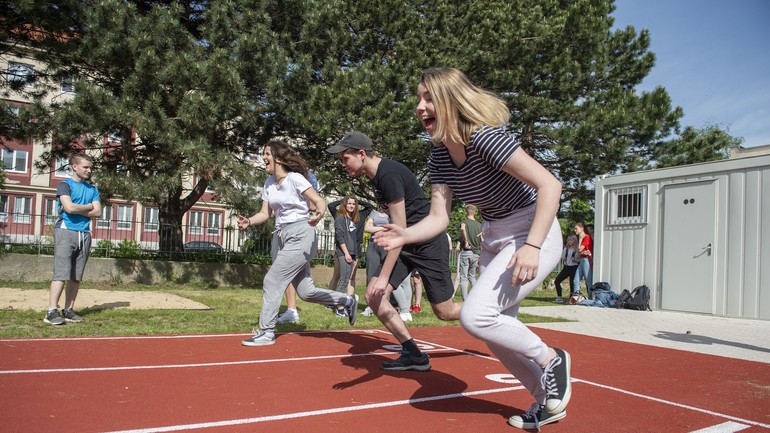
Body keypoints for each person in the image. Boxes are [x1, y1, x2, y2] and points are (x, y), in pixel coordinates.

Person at [374, 68, 571, 430]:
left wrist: (531, 246)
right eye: (418, 99)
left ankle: (552, 358)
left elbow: (551, 186)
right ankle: (547, 402)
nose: (420, 107)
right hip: (496, 236)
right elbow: (438, 218)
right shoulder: (439, 157)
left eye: (428, 98)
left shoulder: (486, 139)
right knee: (494, 329)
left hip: (532, 230)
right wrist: (404, 236)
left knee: (476, 317)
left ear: (451, 100)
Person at [327, 130, 461, 372]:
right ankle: (413, 354)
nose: (342, 164)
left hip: (427, 242)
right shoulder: (375, 176)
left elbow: (400, 229)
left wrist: (385, 276)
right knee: (373, 296)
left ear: (361, 154)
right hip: (407, 243)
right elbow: (397, 225)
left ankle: (491, 313)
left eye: (345, 158)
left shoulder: (387, 174)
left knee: (445, 311)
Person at [238, 139, 358, 346]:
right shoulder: (269, 184)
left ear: (278, 158)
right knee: (306, 292)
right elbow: (264, 213)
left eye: (267, 154)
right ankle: (347, 301)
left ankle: (266, 332)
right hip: (282, 235)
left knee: (272, 280)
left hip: (301, 234)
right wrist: (249, 221)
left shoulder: (294, 179)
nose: (263, 157)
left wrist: (319, 213)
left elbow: (319, 200)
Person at [44, 153, 102, 325]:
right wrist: (88, 207)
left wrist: (79, 208)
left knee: (76, 276)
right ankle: (51, 311)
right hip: (66, 231)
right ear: (74, 166)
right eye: (85, 167)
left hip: (84, 234)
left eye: (90, 167)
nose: (88, 170)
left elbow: (98, 212)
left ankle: (68, 309)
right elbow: (68, 208)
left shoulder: (92, 189)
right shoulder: (64, 185)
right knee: (61, 273)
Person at [276, 172, 320, 324]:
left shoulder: (307, 178)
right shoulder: (277, 178)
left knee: (304, 289)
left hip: (299, 231)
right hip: (282, 230)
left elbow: (315, 205)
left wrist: (295, 202)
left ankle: (345, 301)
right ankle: (291, 310)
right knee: (286, 275)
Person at [362, 208, 413, 321]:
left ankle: (404, 309)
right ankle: (370, 306)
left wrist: (376, 228)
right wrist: (383, 228)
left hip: (387, 245)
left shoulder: (394, 212)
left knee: (390, 277)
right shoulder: (374, 213)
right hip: (373, 245)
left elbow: (397, 229)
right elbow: (367, 227)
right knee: (371, 276)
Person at [331, 195, 360, 316]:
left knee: (347, 279)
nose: (351, 206)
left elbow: (353, 239)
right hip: (344, 253)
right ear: (344, 204)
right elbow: (340, 237)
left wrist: (355, 255)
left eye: (353, 204)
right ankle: (339, 308)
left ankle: (343, 306)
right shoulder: (340, 218)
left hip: (352, 253)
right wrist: (347, 253)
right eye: (349, 203)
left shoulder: (352, 220)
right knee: (343, 281)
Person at [457, 204, 482, 300]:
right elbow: (482, 239)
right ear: (474, 213)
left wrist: (466, 241)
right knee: (472, 276)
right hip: (476, 253)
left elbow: (462, 228)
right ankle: (476, 297)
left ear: (466, 212)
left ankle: (466, 299)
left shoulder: (464, 222)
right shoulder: (479, 225)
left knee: (463, 277)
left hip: (467, 251)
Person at [552, 234, 580, 304]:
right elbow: (563, 257)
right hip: (566, 267)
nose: (569, 242)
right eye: (568, 240)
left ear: (575, 241)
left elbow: (580, 260)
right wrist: (563, 258)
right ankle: (559, 297)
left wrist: (576, 260)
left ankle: (571, 299)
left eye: (571, 240)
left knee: (572, 283)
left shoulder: (577, 249)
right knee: (557, 281)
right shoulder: (566, 249)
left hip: (574, 267)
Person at [572, 222, 593, 298]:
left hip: (586, 260)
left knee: (588, 281)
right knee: (575, 280)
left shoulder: (587, 237)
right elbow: (579, 251)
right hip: (582, 260)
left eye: (576, 228)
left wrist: (580, 239)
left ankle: (591, 298)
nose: (575, 230)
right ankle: (576, 297)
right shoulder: (584, 238)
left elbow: (579, 249)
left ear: (582, 228)